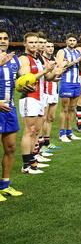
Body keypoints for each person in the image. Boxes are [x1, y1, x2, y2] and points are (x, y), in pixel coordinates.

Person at [18, 32, 55, 173]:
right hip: (29, 97)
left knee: (36, 131)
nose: (34, 45)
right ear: (25, 44)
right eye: (31, 42)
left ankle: (33, 161)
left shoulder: (38, 58)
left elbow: (48, 77)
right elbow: (27, 79)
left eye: (36, 42)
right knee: (29, 131)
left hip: (40, 97)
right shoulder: (24, 58)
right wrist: (45, 70)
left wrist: (56, 71)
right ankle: (26, 165)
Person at [0, 29, 23, 200]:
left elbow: (22, 80)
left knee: (10, 148)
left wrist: (45, 72)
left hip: (10, 109)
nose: (3, 40)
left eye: (5, 38)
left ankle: (5, 185)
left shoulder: (14, 59)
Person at [56, 34, 81, 143]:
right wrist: (76, 61)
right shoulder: (62, 52)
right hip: (66, 82)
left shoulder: (77, 52)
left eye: (74, 40)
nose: (72, 42)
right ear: (66, 41)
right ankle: (62, 133)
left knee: (72, 109)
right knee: (64, 109)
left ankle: (69, 132)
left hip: (76, 82)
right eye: (70, 40)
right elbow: (60, 67)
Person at [41, 39, 61, 151]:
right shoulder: (41, 59)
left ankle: (47, 142)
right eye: (48, 46)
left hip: (54, 91)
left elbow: (57, 74)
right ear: (44, 47)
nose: (50, 48)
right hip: (44, 92)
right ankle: (41, 144)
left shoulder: (54, 59)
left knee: (51, 118)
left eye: (52, 46)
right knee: (43, 119)